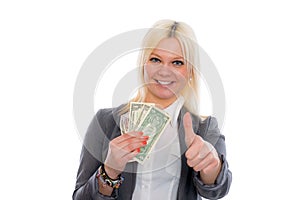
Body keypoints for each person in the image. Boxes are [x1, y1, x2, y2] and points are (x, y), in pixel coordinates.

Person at [73, 19, 232, 200]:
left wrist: (211, 167)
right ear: (143, 64)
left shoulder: (205, 128)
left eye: (177, 62)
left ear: (191, 72)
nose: (164, 71)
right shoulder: (105, 121)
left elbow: (217, 190)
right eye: (156, 59)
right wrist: (109, 171)